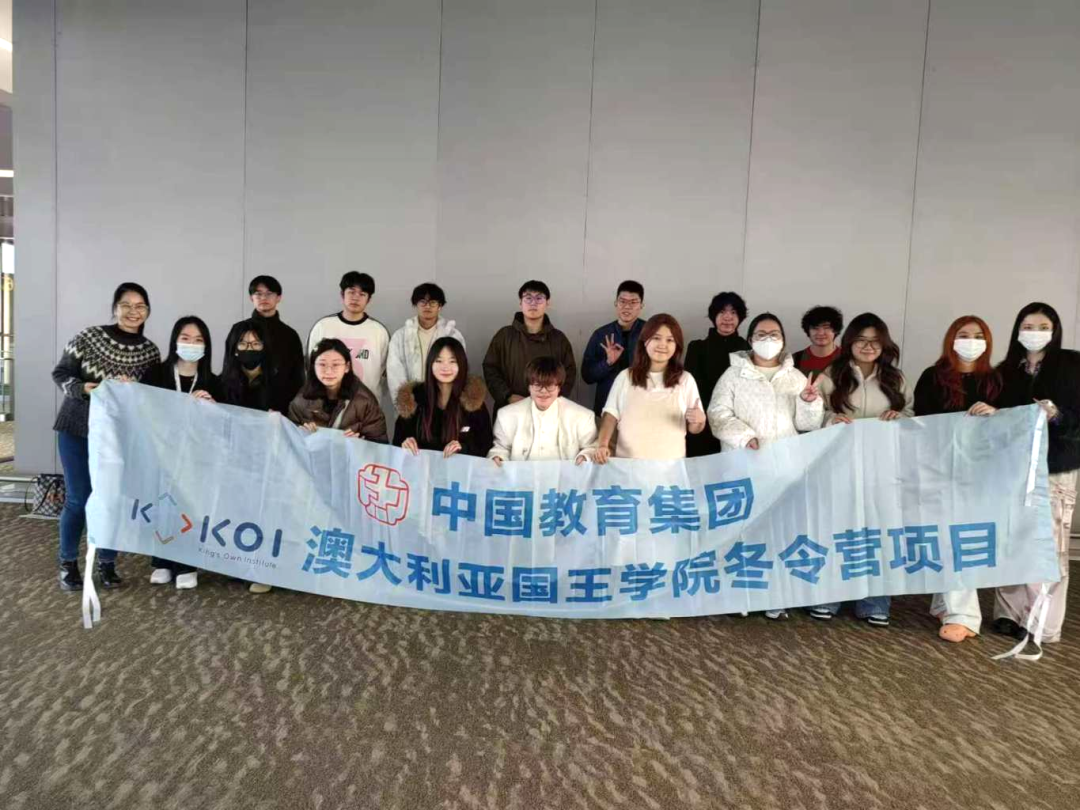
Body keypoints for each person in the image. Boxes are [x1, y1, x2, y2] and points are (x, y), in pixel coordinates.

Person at [708, 312, 824, 619]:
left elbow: (808, 424)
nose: (768, 340)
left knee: (778, 530)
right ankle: (738, 594)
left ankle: (773, 595)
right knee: (741, 530)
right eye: (761, 334)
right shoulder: (733, 375)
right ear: (750, 340)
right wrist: (744, 436)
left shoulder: (796, 378)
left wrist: (809, 402)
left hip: (784, 467)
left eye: (774, 334)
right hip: (743, 464)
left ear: (784, 340)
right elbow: (717, 414)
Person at [51, 283, 161, 592]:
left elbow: (150, 398)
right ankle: (68, 564)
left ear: (147, 311)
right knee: (78, 498)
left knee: (112, 499)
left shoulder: (150, 352)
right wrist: (83, 388)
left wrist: (133, 391)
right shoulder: (89, 337)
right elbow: (61, 373)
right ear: (115, 308)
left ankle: (107, 563)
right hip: (76, 429)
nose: (133, 311)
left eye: (140, 306)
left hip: (118, 437)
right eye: (126, 305)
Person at [810, 313, 913, 627]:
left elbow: (912, 414)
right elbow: (813, 414)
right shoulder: (832, 375)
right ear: (849, 342)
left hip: (882, 466)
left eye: (875, 341)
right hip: (840, 465)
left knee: (878, 531)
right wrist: (830, 419)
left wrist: (900, 418)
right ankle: (828, 597)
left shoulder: (896, 379)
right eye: (861, 340)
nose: (868, 347)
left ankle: (875, 602)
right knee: (837, 529)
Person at [991, 303, 1080, 645]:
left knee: (1049, 545)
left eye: (1043, 327)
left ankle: (1042, 622)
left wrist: (1057, 414)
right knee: (1011, 538)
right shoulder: (1005, 371)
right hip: (1012, 468)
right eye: (1028, 326)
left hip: (1055, 467)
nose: (1035, 333)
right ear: (1017, 330)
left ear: (1055, 331)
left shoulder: (1072, 365)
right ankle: (1007, 613)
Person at [913, 315, 1002, 642]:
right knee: (945, 536)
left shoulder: (996, 379)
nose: (971, 341)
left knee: (964, 538)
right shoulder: (933, 376)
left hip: (980, 470)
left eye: (978, 335)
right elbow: (922, 423)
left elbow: (1012, 420)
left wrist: (995, 414)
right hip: (940, 467)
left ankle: (962, 615)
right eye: (963, 335)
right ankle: (947, 605)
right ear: (951, 339)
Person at [142, 315, 221, 590]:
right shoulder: (155, 374)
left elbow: (223, 422)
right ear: (175, 341)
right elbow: (142, 407)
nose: (191, 344)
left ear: (206, 346)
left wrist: (212, 406)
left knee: (189, 507)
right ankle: (162, 561)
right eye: (185, 338)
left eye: (198, 340)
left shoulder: (213, 380)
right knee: (162, 504)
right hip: (161, 451)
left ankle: (187, 564)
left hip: (195, 456)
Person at [220, 319, 290, 595]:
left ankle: (263, 567)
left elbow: (294, 417)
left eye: (256, 343)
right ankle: (238, 564)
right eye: (243, 343)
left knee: (266, 512)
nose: (249, 348)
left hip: (270, 460)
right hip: (234, 459)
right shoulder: (223, 381)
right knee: (237, 510)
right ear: (234, 347)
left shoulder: (281, 382)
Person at [594, 314, 706, 462]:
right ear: (645, 341)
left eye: (670, 340)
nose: (662, 345)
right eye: (656, 338)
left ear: (677, 346)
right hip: (628, 466)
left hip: (671, 467)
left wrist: (699, 421)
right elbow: (610, 415)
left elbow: (694, 428)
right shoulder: (626, 376)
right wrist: (603, 445)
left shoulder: (685, 379)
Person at [483, 281, 577, 415]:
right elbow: (490, 368)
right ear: (520, 303)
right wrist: (508, 396)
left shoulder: (559, 339)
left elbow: (569, 373)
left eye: (539, 298)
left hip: (548, 411)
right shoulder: (504, 336)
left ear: (547, 303)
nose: (533, 303)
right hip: (510, 409)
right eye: (528, 298)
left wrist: (550, 399)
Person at [395, 337, 493, 458]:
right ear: (430, 364)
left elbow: (485, 445)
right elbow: (397, 440)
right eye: (439, 361)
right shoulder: (413, 398)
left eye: (452, 361)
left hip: (459, 469)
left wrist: (463, 449)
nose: (445, 367)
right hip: (421, 468)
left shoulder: (473, 401)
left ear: (461, 364)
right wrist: (405, 444)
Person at [488, 357, 599, 465]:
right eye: (537, 385)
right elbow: (500, 448)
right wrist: (498, 457)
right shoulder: (507, 415)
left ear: (559, 387)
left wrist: (585, 457)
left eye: (549, 386)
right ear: (529, 387)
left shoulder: (582, 416)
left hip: (564, 476)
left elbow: (591, 447)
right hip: (522, 476)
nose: (543, 391)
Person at [684, 291, 750, 457]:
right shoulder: (697, 348)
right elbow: (690, 389)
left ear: (740, 318)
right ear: (714, 316)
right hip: (702, 423)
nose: (727, 317)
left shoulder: (747, 351)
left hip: (736, 425)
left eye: (733, 312)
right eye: (722, 312)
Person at [307, 271, 390, 401]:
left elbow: (385, 372)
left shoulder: (379, 331)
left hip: (367, 404)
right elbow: (310, 365)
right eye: (351, 292)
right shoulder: (323, 327)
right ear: (342, 294)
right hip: (327, 403)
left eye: (362, 294)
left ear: (369, 299)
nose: (356, 298)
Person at [288, 338, 388, 442]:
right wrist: (302, 436)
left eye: (335, 364)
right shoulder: (301, 400)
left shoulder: (365, 402)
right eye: (322, 364)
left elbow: (380, 445)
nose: (328, 371)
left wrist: (358, 444)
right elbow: (289, 442)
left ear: (347, 367)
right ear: (313, 367)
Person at [387, 282, 465, 399]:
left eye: (432, 302)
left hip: (443, 399)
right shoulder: (400, 336)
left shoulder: (453, 335)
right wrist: (405, 401)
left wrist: (447, 399)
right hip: (412, 400)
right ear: (415, 305)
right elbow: (395, 373)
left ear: (440, 306)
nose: (427, 306)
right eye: (422, 302)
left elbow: (459, 369)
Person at [581, 281, 646, 419]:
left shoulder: (650, 333)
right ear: (616, 303)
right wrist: (607, 363)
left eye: (633, 302)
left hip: (641, 408)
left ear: (641, 305)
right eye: (622, 301)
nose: (627, 306)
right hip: (607, 407)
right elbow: (587, 376)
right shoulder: (601, 334)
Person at [245, 275, 305, 408]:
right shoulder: (239, 330)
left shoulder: (290, 335)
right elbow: (230, 370)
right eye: (258, 294)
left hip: (280, 407)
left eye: (269, 293)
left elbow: (297, 377)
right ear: (251, 298)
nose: (263, 298)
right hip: (245, 406)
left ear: (278, 298)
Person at [792, 305, 843, 381]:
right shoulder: (794, 360)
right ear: (808, 331)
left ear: (835, 330)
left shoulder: (847, 358)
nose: (821, 333)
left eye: (826, 327)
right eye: (815, 328)